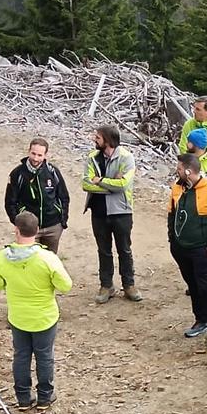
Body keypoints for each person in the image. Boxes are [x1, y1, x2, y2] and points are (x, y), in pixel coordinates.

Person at [0, 210, 73, 408]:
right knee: (44, 356)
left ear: (16, 230)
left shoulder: (2, 257)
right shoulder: (47, 258)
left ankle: (23, 398)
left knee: (21, 356)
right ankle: (45, 396)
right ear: (36, 231)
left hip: (18, 316)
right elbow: (66, 285)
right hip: (44, 317)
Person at [167, 154, 207, 350]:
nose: (177, 171)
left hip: (202, 251)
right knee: (192, 285)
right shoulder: (177, 187)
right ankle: (200, 320)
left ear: (188, 171)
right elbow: (171, 214)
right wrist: (172, 241)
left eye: (179, 168)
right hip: (181, 249)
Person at [82, 125, 140, 304]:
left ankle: (129, 285)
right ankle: (106, 285)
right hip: (98, 212)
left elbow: (123, 185)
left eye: (98, 137)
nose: (94, 139)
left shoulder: (126, 158)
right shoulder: (92, 158)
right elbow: (86, 184)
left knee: (124, 249)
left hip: (121, 211)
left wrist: (100, 182)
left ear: (108, 140)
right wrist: (110, 185)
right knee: (103, 250)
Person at [4, 138, 70, 254]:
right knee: (27, 261)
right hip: (29, 228)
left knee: (50, 262)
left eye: (39, 155)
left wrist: (62, 220)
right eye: (33, 153)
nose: (35, 158)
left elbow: (64, 196)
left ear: (45, 155)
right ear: (28, 151)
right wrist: (19, 223)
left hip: (53, 226)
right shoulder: (17, 174)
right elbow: (10, 202)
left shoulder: (53, 171)